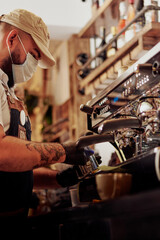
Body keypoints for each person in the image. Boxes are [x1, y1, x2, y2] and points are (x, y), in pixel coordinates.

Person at [0, 8, 93, 227]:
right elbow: (2, 153)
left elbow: (15, 166)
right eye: (33, 54)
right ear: (12, 38)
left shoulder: (8, 92)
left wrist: (58, 179)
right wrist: (62, 151)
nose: (33, 66)